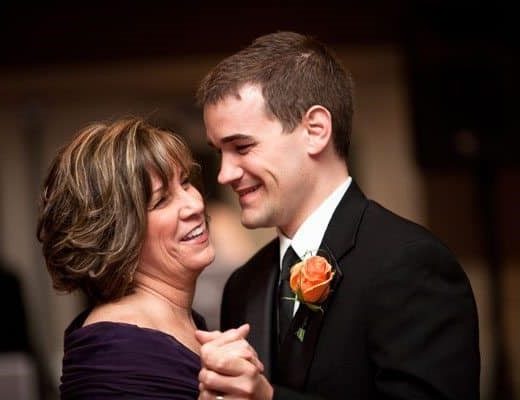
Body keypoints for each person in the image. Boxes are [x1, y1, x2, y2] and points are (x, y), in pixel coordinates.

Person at [194, 31, 481, 399]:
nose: (224, 174)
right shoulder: (244, 284)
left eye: (242, 147)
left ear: (315, 130)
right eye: (220, 152)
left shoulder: (409, 263)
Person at [36, 118, 220, 399]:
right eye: (161, 200)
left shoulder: (184, 321)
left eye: (185, 182)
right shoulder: (115, 352)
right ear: (118, 234)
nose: (194, 205)